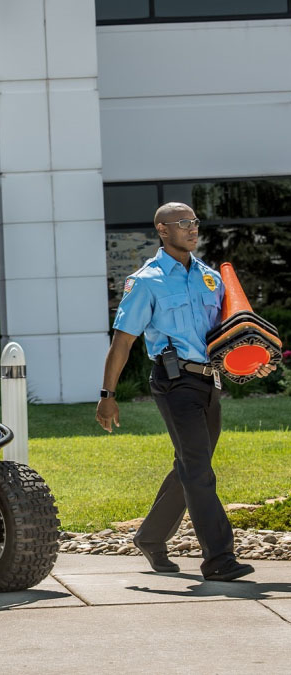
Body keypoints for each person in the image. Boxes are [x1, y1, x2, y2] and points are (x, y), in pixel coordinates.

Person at [96, 202, 276, 582]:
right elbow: (122, 341)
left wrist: (253, 361)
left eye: (194, 222)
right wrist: (107, 395)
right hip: (174, 382)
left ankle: (150, 536)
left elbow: (227, 339)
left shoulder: (210, 278)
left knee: (191, 467)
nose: (192, 228)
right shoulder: (146, 281)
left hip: (209, 381)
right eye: (182, 223)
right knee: (198, 470)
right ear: (162, 230)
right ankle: (219, 559)